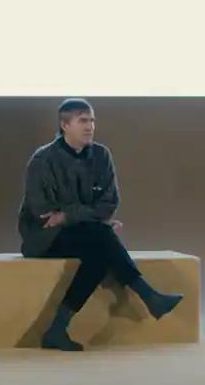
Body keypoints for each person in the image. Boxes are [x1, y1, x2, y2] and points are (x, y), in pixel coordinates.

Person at [19, 98, 182, 351]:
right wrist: (90, 219)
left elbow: (108, 204)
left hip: (85, 234)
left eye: (92, 121)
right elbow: (43, 213)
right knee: (102, 236)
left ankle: (57, 330)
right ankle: (148, 295)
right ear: (65, 125)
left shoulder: (101, 156)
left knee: (99, 251)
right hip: (44, 238)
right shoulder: (43, 160)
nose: (90, 127)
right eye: (83, 121)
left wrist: (69, 216)